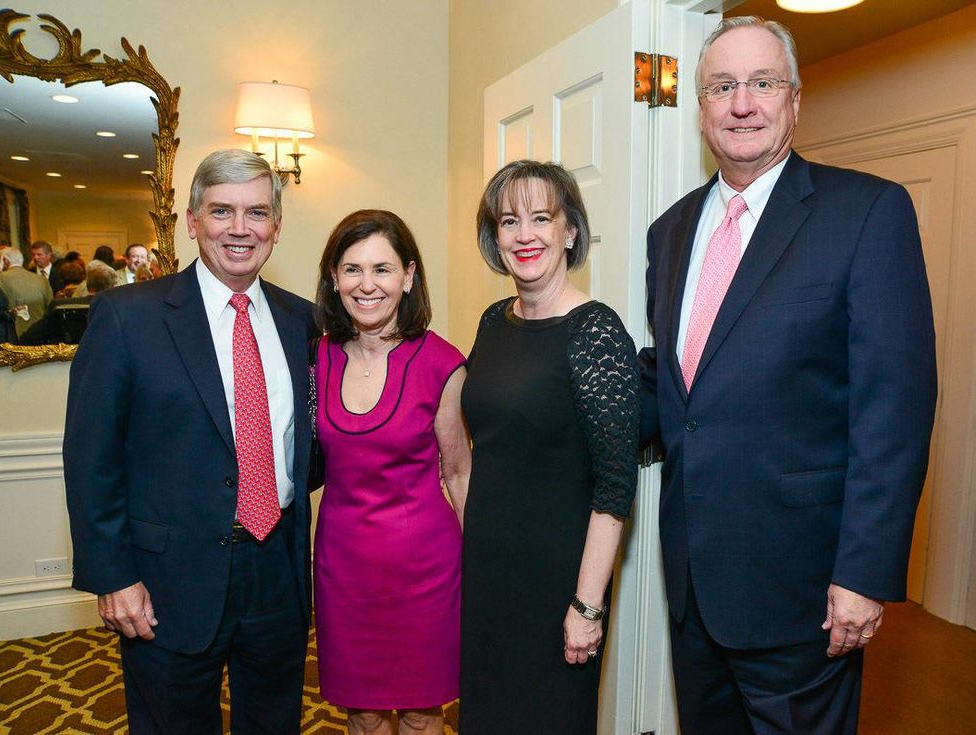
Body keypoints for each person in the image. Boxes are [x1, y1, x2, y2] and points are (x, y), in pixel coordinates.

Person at [637, 17, 937, 734]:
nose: (743, 103)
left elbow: (893, 407)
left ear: (795, 99)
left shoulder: (867, 212)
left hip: (802, 595)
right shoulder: (670, 230)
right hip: (693, 589)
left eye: (763, 83)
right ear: (701, 107)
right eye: (722, 86)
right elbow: (678, 387)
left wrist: (864, 573)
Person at [63, 149, 317, 734]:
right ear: (191, 220)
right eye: (221, 210)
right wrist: (113, 575)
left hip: (276, 566)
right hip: (166, 578)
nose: (239, 228)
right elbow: (90, 459)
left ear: (276, 227)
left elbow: (306, 444)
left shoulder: (302, 321)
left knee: (276, 721)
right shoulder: (127, 318)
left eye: (257, 213)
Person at [460, 160, 639, 733]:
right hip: (489, 577)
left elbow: (615, 488)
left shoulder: (596, 333)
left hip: (558, 584)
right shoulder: (493, 321)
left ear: (569, 231)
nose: (525, 234)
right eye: (510, 221)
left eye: (542, 218)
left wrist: (587, 606)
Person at [312, 209, 469, 735]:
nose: (367, 284)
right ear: (333, 280)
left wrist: (486, 570)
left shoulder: (443, 364)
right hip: (343, 570)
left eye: (382, 269)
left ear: (409, 275)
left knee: (423, 714)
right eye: (352, 269)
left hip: (425, 571)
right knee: (363, 713)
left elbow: (460, 475)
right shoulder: (318, 357)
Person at [0, 247, 52, 338]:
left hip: (13, 336)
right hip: (41, 334)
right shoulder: (41, 279)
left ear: (5, 261)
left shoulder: (0, 279)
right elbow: (50, 306)